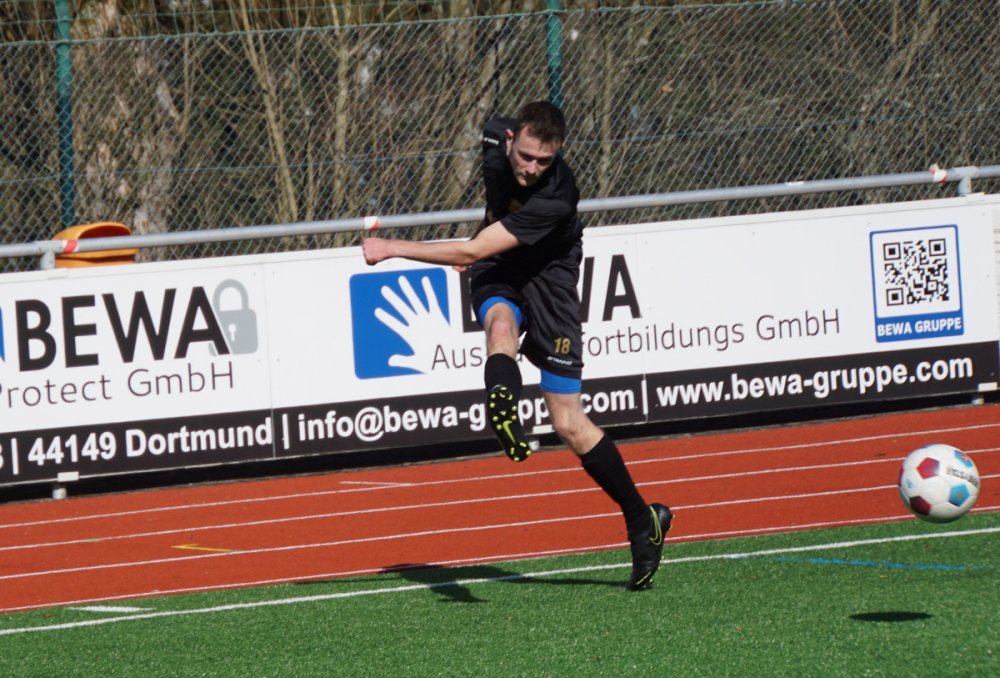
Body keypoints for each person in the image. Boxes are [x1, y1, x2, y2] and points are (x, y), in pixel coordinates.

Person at [362, 101, 672, 591]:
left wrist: (392, 248)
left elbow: (470, 251)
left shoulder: (557, 196)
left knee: (568, 423)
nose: (531, 168)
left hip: (550, 282)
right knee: (500, 329)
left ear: (559, 153)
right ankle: (502, 399)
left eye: (543, 161)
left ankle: (642, 519)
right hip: (501, 268)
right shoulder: (494, 136)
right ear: (510, 139)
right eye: (525, 156)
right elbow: (484, 238)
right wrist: (480, 239)